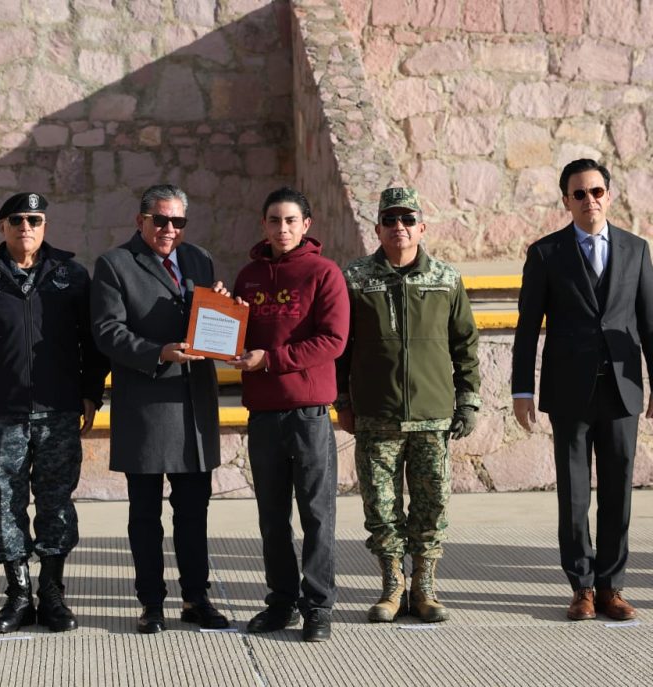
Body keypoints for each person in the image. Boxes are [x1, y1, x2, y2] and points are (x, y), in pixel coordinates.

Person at [0, 192, 107, 634]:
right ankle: (17, 594)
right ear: (2, 227)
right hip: (3, 412)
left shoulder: (71, 276)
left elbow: (93, 343)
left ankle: (51, 592)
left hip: (58, 411)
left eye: (34, 219)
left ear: (44, 226)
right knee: (7, 503)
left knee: (56, 502)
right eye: (16, 219)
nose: (25, 227)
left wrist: (91, 394)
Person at [512, 159, 653, 622]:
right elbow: (527, 327)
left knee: (618, 491)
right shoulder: (545, 253)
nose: (589, 200)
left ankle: (612, 587)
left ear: (608, 195)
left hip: (621, 391)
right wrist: (521, 390)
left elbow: (649, 323)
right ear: (566, 201)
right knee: (574, 495)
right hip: (568, 391)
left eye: (596, 191)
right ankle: (582, 588)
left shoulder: (636, 250)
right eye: (579, 194)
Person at [335, 187, 480, 624]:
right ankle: (392, 587)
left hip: (432, 417)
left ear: (422, 227)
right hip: (376, 417)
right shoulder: (355, 278)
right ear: (378, 228)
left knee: (431, 507)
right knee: (381, 509)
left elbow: (465, 345)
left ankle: (425, 588)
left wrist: (468, 401)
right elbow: (341, 349)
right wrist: (344, 401)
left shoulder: (446, 278)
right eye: (390, 220)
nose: (399, 227)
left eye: (407, 219)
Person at [91, 183, 230, 634]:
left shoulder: (200, 259)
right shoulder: (115, 264)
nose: (170, 229)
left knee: (193, 512)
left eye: (178, 221)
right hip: (147, 407)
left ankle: (196, 598)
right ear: (141, 221)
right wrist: (158, 353)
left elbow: (208, 324)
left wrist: (223, 308)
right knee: (145, 516)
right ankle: (151, 602)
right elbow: (107, 331)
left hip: (193, 406)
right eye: (161, 220)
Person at [228, 187, 348, 642]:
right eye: (275, 220)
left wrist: (271, 360)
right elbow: (234, 339)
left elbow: (332, 341)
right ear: (263, 225)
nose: (282, 229)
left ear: (306, 225)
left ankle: (317, 606)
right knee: (272, 518)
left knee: (317, 514)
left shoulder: (324, 273)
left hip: (308, 414)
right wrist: (221, 311)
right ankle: (281, 603)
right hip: (263, 414)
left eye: (291, 220)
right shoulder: (248, 277)